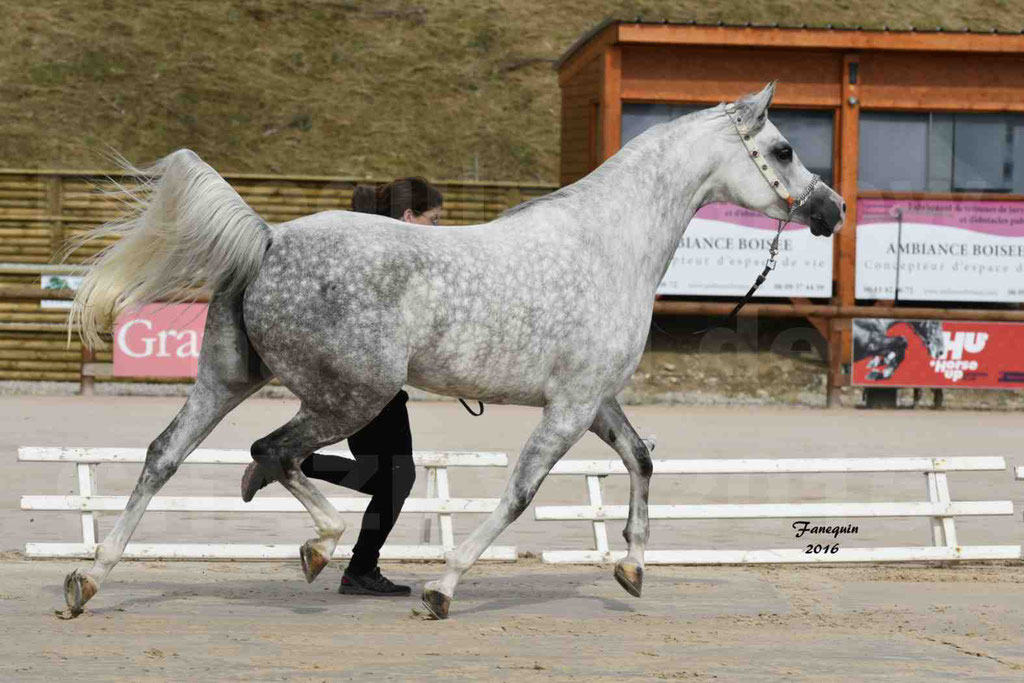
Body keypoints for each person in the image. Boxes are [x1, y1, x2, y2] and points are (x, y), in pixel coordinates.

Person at [240, 177, 444, 596]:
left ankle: (289, 464)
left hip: (366, 379)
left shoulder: (371, 249)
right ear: (408, 217)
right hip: (372, 384)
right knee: (396, 478)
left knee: (381, 478)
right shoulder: (392, 258)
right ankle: (360, 567)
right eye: (433, 221)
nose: (437, 232)